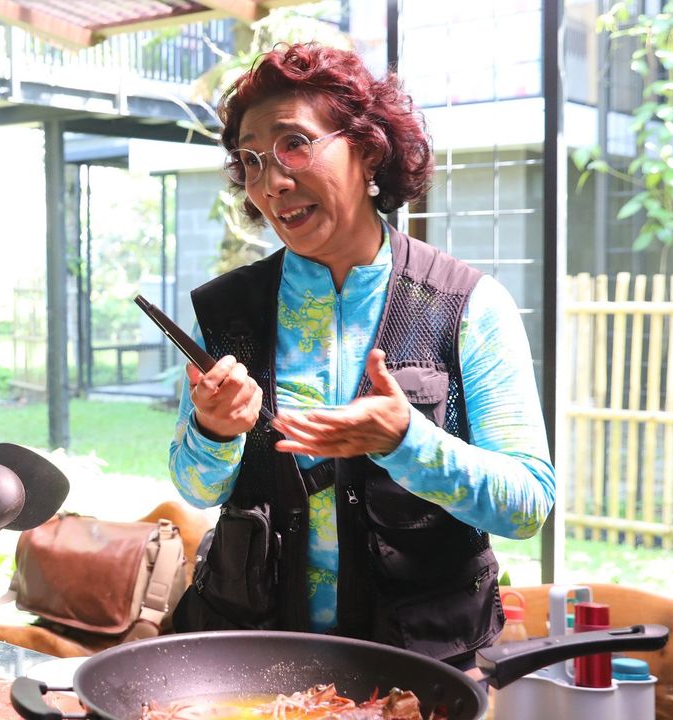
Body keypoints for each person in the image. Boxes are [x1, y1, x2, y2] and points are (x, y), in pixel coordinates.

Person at [169, 43, 555, 666]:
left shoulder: (468, 305)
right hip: (254, 661)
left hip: (420, 666)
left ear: (368, 148)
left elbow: (528, 504)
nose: (273, 182)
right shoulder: (228, 311)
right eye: (252, 159)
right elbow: (196, 487)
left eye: (295, 143)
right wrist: (213, 431)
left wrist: (409, 442)